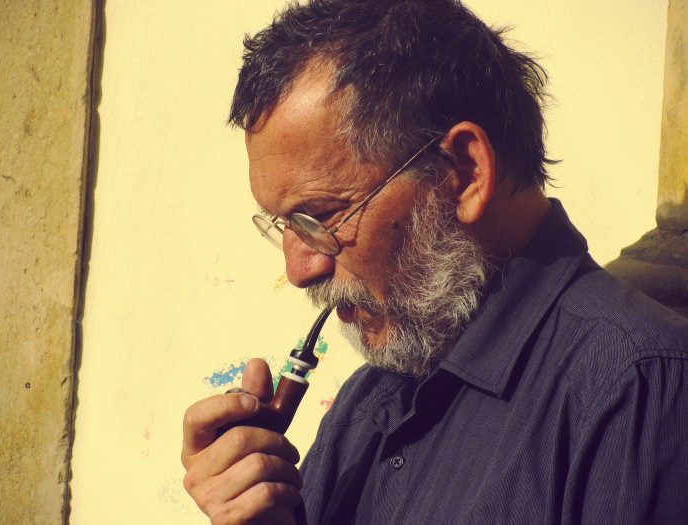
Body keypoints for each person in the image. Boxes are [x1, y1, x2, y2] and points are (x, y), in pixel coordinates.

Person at [181, 1, 688, 523]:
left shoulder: (641, 390)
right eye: (284, 223)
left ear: (462, 173)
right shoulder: (366, 403)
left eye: (321, 216)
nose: (298, 270)